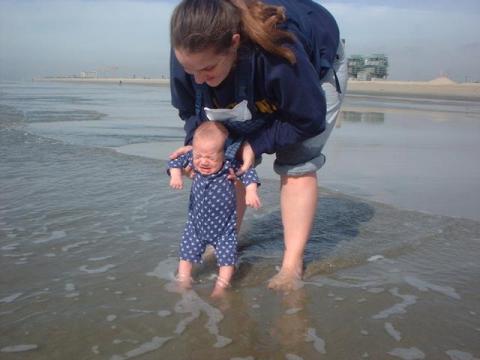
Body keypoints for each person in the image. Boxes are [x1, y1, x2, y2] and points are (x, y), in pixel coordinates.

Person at [169, 0, 347, 291]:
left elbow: (308, 119)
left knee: (297, 161)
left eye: (207, 69)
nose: (198, 79)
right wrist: (196, 143)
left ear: (234, 43)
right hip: (248, 66)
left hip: (312, 69)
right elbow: (190, 109)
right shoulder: (190, 48)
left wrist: (257, 143)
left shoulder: (277, 49)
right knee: (229, 156)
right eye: (191, 71)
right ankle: (224, 240)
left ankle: (292, 264)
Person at [168, 121, 261, 298]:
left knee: (227, 260)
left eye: (210, 158)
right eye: (198, 156)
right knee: (186, 255)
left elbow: (249, 173)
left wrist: (250, 191)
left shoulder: (228, 166)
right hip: (196, 226)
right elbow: (174, 161)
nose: (203, 161)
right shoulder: (193, 161)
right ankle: (184, 279)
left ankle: (221, 285)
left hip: (224, 229)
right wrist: (176, 175)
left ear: (224, 154)